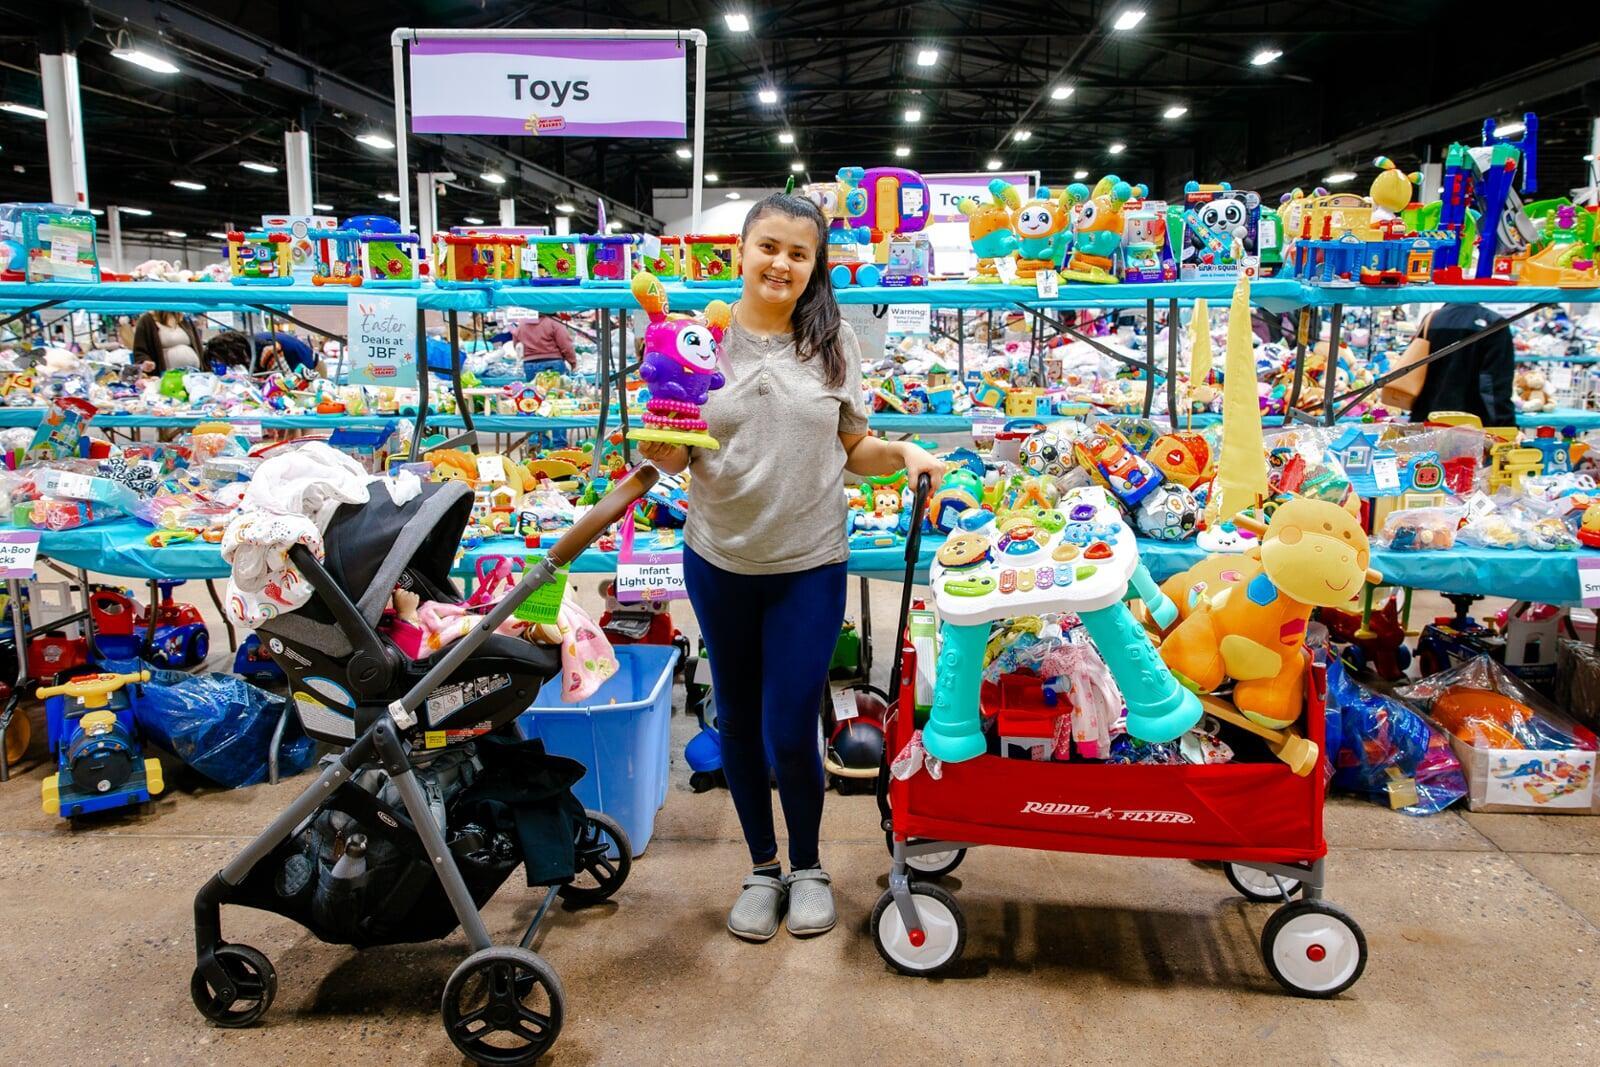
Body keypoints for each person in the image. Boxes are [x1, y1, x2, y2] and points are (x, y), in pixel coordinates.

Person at [636, 194, 944, 943]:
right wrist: (658, 443)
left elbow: (853, 449)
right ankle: (763, 866)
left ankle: (808, 864)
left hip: (808, 561)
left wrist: (903, 452)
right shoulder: (700, 338)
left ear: (815, 267)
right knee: (736, 719)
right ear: (741, 251)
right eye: (768, 247)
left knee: (786, 725)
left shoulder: (833, 341)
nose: (780, 263)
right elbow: (672, 450)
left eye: (797, 253)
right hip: (720, 558)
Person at [1381, 303, 1514, 424]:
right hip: (1472, 424)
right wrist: (1506, 425)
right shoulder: (1494, 323)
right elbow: (1493, 385)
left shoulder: (1432, 319)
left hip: (1427, 418)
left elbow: (1414, 366)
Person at [131, 310, 202, 372]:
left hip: (194, 374)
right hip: (166, 377)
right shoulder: (146, 320)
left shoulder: (185, 319)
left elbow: (198, 346)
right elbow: (139, 351)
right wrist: (145, 362)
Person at [512, 312, 577, 379]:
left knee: (534, 388)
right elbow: (566, 345)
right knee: (555, 389)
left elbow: (516, 345)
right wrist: (573, 363)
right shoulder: (555, 322)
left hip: (530, 364)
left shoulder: (523, 323)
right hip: (553, 363)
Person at [252, 330, 321, 375]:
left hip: (313, 366)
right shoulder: (254, 342)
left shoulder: (266, 349)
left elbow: (285, 382)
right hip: (306, 362)